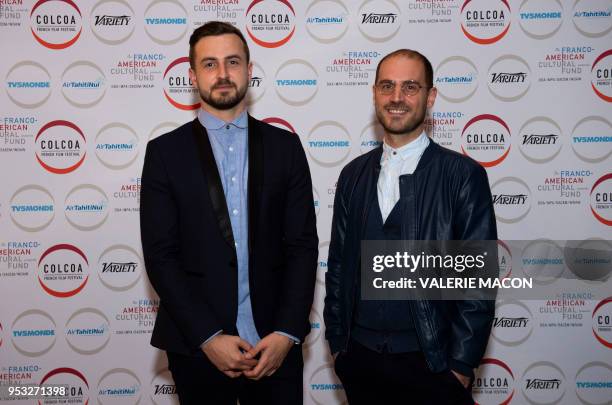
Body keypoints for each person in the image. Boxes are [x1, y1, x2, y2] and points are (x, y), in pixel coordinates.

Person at [140, 21, 318, 405]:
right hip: (197, 349)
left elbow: (302, 246)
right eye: (209, 64)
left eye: (233, 62)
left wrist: (287, 332)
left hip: (274, 347)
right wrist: (207, 337)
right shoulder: (164, 154)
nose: (222, 74)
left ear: (249, 71)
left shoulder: (285, 147)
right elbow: (161, 257)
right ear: (192, 76)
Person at [323, 49, 497, 405]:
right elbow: (339, 265)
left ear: (430, 97)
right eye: (387, 86)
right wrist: (340, 346)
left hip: (434, 366)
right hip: (361, 363)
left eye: (410, 87)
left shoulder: (463, 176)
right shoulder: (352, 175)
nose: (397, 97)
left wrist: (460, 364)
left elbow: (478, 282)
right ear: (374, 93)